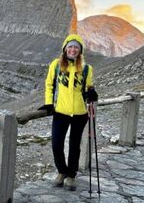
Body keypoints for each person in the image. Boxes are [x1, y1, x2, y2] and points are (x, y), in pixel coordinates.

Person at [39, 33, 98, 191]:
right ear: (65, 49)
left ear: (80, 51)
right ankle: (61, 171)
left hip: (80, 113)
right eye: (70, 47)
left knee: (74, 145)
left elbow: (88, 88)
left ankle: (71, 176)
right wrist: (48, 103)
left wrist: (92, 93)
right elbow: (49, 84)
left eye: (76, 47)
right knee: (57, 144)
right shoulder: (56, 65)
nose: (73, 50)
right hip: (61, 111)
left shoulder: (86, 68)